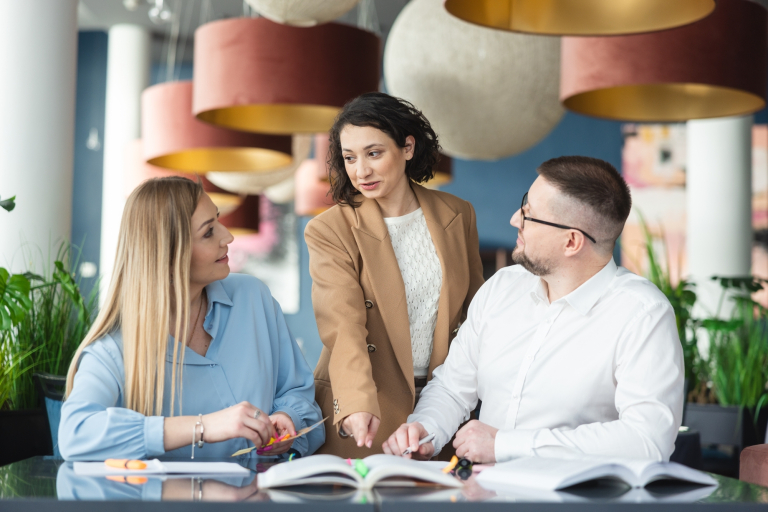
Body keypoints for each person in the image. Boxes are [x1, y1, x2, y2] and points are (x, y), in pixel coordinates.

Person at [383, 156, 684, 463]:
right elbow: (452, 387)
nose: (515, 219)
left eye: (529, 215)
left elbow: (648, 439)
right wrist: (425, 428)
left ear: (571, 242)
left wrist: (506, 445)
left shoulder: (643, 314)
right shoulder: (501, 288)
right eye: (523, 204)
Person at [60, 177, 324, 460]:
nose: (228, 237)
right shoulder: (115, 349)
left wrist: (288, 418)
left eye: (218, 221)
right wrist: (204, 426)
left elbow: (300, 394)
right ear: (169, 253)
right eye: (209, 232)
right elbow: (76, 433)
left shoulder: (253, 298)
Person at [306, 92, 484, 457]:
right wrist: (356, 400)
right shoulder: (330, 229)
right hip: (368, 402)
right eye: (349, 158)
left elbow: (475, 312)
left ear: (407, 147)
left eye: (374, 153)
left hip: (445, 403)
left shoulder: (458, 214)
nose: (361, 171)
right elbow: (343, 325)